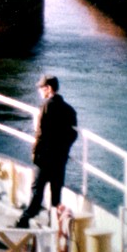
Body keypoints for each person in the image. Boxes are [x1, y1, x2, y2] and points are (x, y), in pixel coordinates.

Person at [16, 75, 79, 227]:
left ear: (48, 88)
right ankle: (54, 226)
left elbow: (40, 133)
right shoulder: (70, 110)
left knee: (37, 190)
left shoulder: (46, 107)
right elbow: (73, 134)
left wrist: (35, 154)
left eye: (41, 88)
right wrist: (64, 150)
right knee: (56, 193)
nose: (39, 92)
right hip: (60, 157)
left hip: (45, 157)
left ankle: (24, 219)